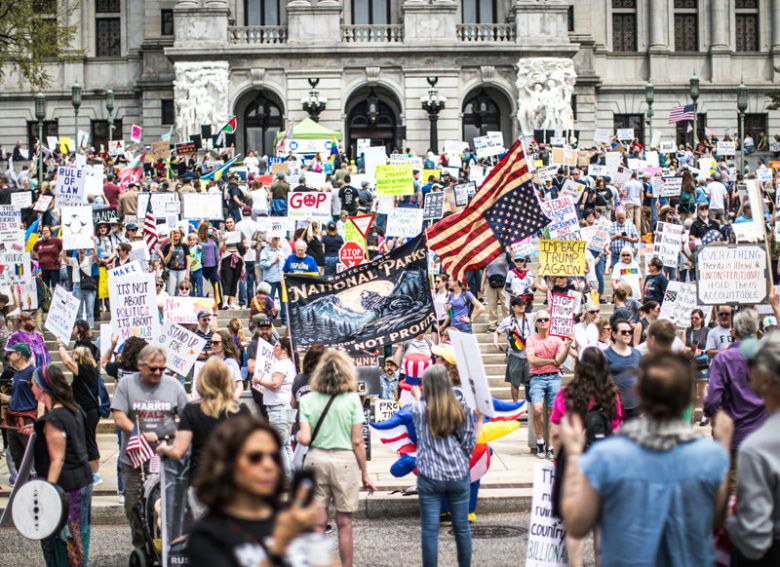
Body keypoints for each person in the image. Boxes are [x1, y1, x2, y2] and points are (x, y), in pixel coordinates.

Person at [558, 352, 733, 567]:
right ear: (688, 398)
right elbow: (716, 518)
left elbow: (577, 523)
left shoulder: (608, 456)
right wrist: (723, 446)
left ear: (639, 392)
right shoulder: (710, 457)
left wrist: (574, 453)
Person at [187, 416, 330, 566]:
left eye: (274, 457)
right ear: (227, 464)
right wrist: (278, 547)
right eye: (255, 458)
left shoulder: (288, 518)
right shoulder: (208, 535)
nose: (268, 465)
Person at [297, 350, 377, 567]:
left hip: (315, 459)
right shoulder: (352, 400)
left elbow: (304, 438)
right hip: (345, 462)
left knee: (317, 523)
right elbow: (358, 442)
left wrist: (297, 434)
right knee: (344, 523)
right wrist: (365, 474)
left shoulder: (307, 400)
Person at [550, 347, 623, 567]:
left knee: (575, 528)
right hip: (604, 465)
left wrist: (556, 458)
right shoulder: (611, 395)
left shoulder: (567, 394)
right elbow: (618, 432)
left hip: (574, 463)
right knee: (602, 526)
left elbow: (555, 433)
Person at [111, 345, 188, 550]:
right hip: (135, 459)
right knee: (133, 507)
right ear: (141, 366)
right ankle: (141, 548)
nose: (157, 373)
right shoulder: (126, 385)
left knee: (166, 507)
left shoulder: (173, 386)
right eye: (152, 369)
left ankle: (166, 551)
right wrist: (139, 434)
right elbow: (118, 416)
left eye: (161, 369)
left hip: (166, 458)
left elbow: (188, 417)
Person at [157, 357, 250, 516]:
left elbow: (178, 450)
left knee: (206, 530)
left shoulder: (192, 411)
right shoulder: (240, 411)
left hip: (201, 479)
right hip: (233, 479)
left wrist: (164, 449)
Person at [409, 364, 482, 567]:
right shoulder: (461, 409)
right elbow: (468, 445)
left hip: (429, 475)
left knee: (430, 530)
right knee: (462, 528)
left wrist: (416, 396)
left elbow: (419, 409)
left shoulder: (417, 409)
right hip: (457, 473)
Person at [28, 364, 97, 567]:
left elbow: (57, 459)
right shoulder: (74, 410)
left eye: (32, 384)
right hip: (82, 481)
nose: (31, 388)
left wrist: (48, 492)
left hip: (64, 488)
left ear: (42, 387)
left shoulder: (53, 419)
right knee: (78, 539)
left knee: (63, 542)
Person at [727, 331, 780, 565]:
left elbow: (754, 541)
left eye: (753, 364)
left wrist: (722, 519)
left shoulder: (758, 448)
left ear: (766, 379)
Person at [704, 310, 768, 457]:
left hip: (732, 439)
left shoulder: (723, 359)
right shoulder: (766, 356)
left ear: (735, 330)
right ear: (755, 329)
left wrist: (712, 415)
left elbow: (713, 400)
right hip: (762, 439)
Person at [526, 309, 572, 459]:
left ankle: (550, 445)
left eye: (546, 319)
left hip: (553, 377)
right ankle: (540, 441)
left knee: (552, 412)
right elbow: (532, 360)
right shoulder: (531, 339)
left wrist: (568, 347)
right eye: (540, 320)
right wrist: (552, 361)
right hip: (537, 378)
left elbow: (560, 361)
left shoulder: (557, 340)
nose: (544, 322)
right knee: (538, 410)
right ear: (536, 323)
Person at [56, 340, 102, 483]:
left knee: (89, 441)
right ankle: (89, 471)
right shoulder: (88, 370)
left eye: (74, 354)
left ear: (80, 357)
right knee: (86, 440)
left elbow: (67, 363)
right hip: (86, 411)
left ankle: (95, 474)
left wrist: (60, 346)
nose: (72, 356)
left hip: (89, 411)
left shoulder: (86, 370)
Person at [253, 337, 296, 478]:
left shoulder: (281, 365)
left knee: (280, 446)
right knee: (286, 445)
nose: (273, 348)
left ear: (284, 349)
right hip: (284, 407)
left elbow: (275, 384)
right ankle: (291, 476)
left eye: (276, 346)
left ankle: (288, 479)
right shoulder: (288, 364)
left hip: (278, 408)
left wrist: (259, 380)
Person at [0, 343, 37, 477]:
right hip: (12, 421)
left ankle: (34, 487)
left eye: (11, 353)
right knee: (15, 458)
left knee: (30, 458)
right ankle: (24, 486)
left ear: (19, 355)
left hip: (26, 420)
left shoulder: (33, 373)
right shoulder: (16, 375)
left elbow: (41, 398)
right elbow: (15, 398)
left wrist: (37, 422)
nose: (9, 355)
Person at [493, 296, 533, 404]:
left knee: (529, 382)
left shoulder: (530, 317)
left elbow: (544, 313)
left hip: (529, 355)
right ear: (514, 307)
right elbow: (497, 332)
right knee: (514, 383)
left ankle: (528, 404)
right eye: (520, 305)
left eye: (524, 304)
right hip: (515, 355)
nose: (522, 307)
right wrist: (496, 342)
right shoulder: (507, 320)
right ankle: (515, 403)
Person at [604, 318, 642, 419]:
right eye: (624, 332)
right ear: (614, 334)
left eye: (630, 332)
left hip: (636, 407)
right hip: (614, 407)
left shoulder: (637, 353)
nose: (627, 334)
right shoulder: (605, 355)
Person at [203, 329, 245, 399]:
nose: (212, 345)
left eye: (216, 342)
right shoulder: (210, 360)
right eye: (211, 342)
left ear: (224, 343)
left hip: (227, 401)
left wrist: (233, 399)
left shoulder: (231, 362)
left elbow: (239, 386)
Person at [160, 228, 190, 297]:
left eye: (178, 233)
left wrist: (187, 273)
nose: (176, 234)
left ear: (180, 235)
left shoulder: (184, 245)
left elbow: (188, 259)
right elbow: (165, 261)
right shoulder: (168, 246)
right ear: (172, 235)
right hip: (171, 271)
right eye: (175, 233)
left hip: (182, 270)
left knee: (182, 291)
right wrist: (170, 252)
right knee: (171, 292)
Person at [33, 225, 64, 290]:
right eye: (43, 231)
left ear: (50, 232)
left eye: (46, 230)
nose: (45, 232)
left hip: (54, 268)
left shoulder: (56, 241)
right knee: (45, 288)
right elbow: (34, 250)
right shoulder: (39, 243)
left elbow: (62, 249)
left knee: (55, 288)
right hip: (43, 269)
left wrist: (61, 256)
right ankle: (48, 300)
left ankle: (55, 300)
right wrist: (38, 257)